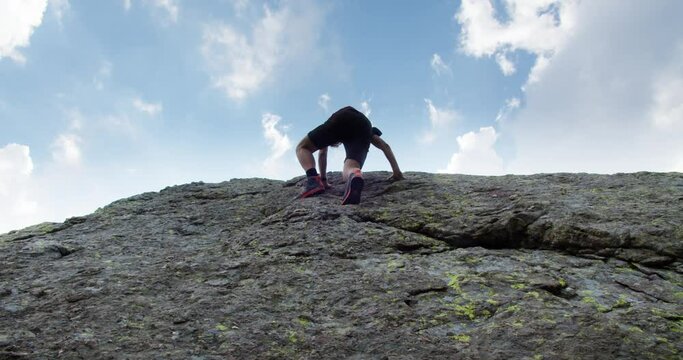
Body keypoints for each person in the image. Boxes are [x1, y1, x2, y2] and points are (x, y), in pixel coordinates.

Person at [295, 105, 404, 205]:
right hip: (364, 124)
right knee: (350, 169)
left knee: (302, 147)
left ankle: (313, 180)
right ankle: (355, 173)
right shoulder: (368, 131)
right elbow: (384, 146)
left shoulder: (332, 129)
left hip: (342, 117)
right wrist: (397, 171)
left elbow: (322, 153)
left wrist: (323, 180)